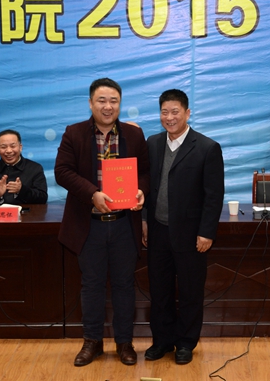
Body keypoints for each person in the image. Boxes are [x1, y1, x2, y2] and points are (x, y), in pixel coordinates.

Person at [55, 78, 149, 367]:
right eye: (102, 100)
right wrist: (92, 193)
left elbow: (146, 172)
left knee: (124, 285)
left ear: (120, 104)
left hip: (124, 224)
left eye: (114, 101)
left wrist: (141, 191)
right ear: (90, 103)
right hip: (89, 224)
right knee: (92, 285)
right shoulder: (74, 133)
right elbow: (62, 172)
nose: (108, 107)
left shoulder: (133, 134)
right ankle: (92, 342)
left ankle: (124, 343)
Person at [142, 89, 224, 365]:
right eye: (164, 112)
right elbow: (147, 187)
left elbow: (214, 195)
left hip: (191, 234)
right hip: (157, 230)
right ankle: (162, 341)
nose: (170, 117)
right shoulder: (152, 143)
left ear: (187, 113)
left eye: (175, 111)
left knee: (190, 291)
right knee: (160, 290)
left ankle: (186, 343)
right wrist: (144, 220)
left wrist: (207, 232)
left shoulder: (207, 147)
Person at [0, 129, 48, 205]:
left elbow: (42, 198)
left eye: (13, 146)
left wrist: (21, 190)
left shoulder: (35, 168)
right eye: (3, 147)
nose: (9, 151)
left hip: (26, 212)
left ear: (20, 147)